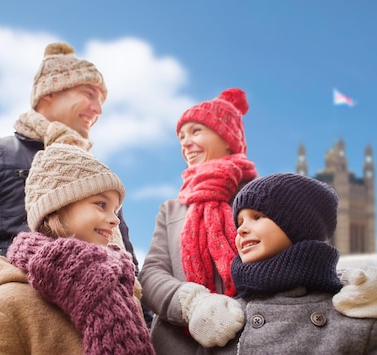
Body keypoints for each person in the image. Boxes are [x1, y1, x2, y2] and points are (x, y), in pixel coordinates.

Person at [0, 41, 139, 354]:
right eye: (89, 94)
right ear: (49, 92)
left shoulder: (99, 179)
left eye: (102, 101)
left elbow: (128, 264)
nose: (98, 109)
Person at [0, 137, 154, 354]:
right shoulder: (4, 305)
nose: (115, 220)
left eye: (115, 209)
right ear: (57, 207)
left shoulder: (125, 292)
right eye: (101, 204)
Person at [199, 172, 377, 354]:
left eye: (258, 216)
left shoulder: (357, 313)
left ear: (300, 224)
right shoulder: (224, 320)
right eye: (239, 222)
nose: (242, 229)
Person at [139, 88, 257, 353]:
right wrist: (192, 304)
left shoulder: (263, 196)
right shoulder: (171, 209)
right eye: (181, 136)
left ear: (228, 139)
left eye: (196, 132)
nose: (185, 143)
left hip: (248, 340)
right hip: (176, 345)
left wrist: (236, 310)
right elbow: (151, 273)